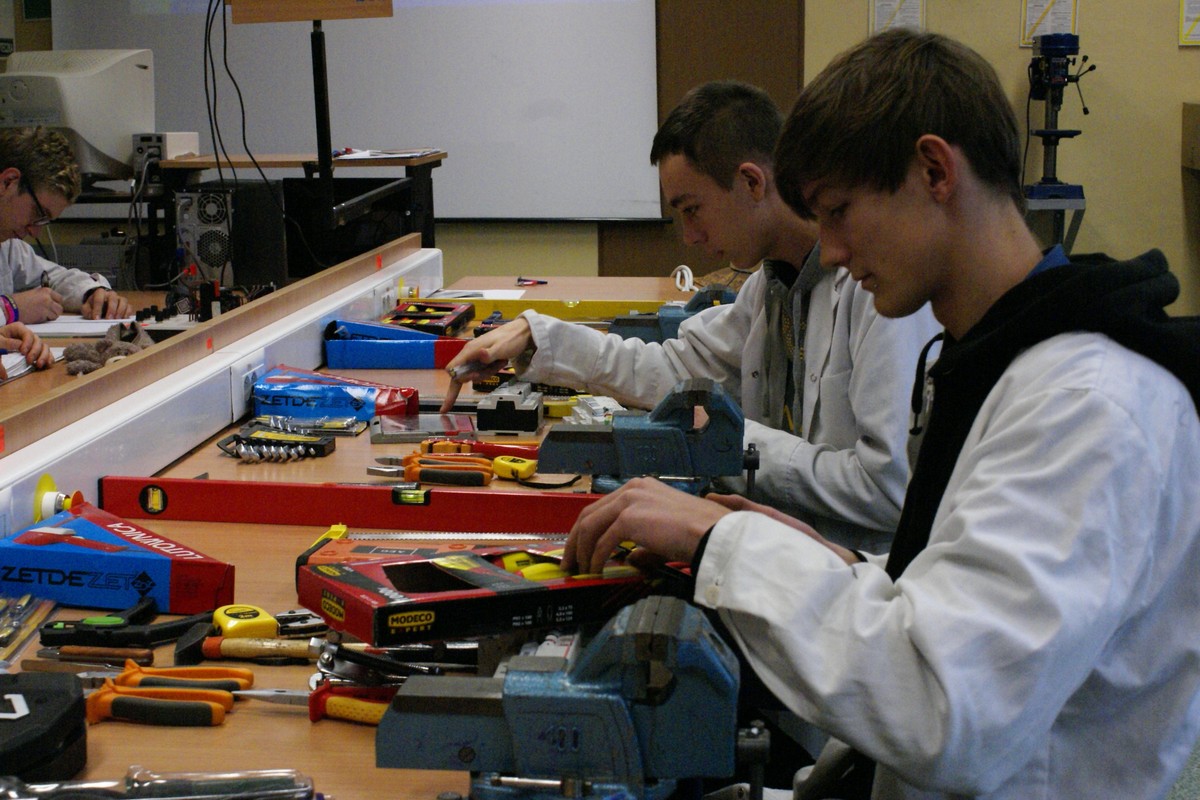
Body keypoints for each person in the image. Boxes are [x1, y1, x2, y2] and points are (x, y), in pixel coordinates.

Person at [563, 29, 1200, 800]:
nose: (830, 252)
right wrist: (823, 558)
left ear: (935, 171)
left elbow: (945, 705)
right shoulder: (998, 360)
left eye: (839, 211)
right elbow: (955, 599)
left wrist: (723, 543)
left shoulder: (1087, 409)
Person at [442, 80, 941, 552]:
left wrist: (733, 442)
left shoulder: (879, 295)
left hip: (852, 575)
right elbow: (675, 369)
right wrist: (536, 335)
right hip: (781, 555)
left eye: (692, 209)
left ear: (751, 182)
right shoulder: (771, 287)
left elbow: (888, 489)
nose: (689, 236)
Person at [0, 127, 132, 325]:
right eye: (38, 213)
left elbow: (52, 278)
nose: (35, 232)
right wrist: (10, 309)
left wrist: (93, 293)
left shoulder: (7, 244)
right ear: (8, 182)